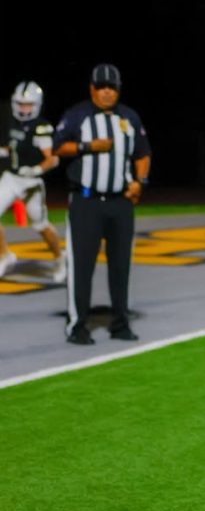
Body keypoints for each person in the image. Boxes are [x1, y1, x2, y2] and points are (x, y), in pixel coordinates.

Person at [53, 63, 152, 344]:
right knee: (82, 267)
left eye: (112, 88)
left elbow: (143, 154)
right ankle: (77, 325)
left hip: (120, 202)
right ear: (92, 89)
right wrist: (87, 146)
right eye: (102, 88)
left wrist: (140, 182)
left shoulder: (129, 117)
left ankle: (120, 323)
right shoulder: (78, 115)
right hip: (87, 202)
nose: (107, 93)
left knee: (121, 266)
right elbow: (57, 146)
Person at [0, 81, 66, 282]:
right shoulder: (12, 122)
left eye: (28, 104)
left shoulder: (41, 127)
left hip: (32, 182)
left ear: (37, 104)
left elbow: (52, 159)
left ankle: (60, 259)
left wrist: (36, 169)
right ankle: (5, 255)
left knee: (40, 225)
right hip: (12, 177)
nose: (23, 108)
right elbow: (13, 148)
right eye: (20, 103)